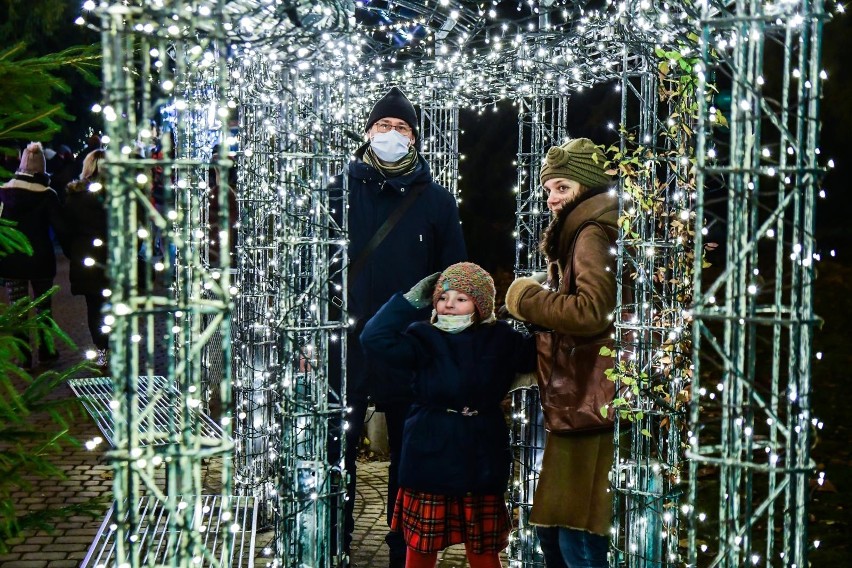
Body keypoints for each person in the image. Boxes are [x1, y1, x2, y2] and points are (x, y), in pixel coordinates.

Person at [332, 86, 467, 568]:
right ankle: (334, 537)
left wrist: (445, 338)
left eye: (402, 128)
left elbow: (456, 275)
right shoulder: (336, 191)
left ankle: (403, 548)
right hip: (341, 343)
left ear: (415, 139)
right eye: (384, 126)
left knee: (408, 455)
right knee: (336, 444)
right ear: (368, 132)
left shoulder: (436, 202)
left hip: (408, 344)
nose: (392, 134)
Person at [360, 262, 536, 568]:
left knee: (483, 551)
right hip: (430, 455)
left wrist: (534, 305)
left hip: (481, 457)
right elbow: (373, 338)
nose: (449, 304)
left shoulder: (502, 338)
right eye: (443, 297)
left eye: (461, 298)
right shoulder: (422, 337)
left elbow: (538, 351)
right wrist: (408, 302)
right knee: (420, 549)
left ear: (480, 305)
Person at [503, 138, 618, 568]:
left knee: (578, 539)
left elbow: (592, 311)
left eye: (562, 188)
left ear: (586, 189)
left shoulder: (589, 232)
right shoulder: (594, 226)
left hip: (588, 398)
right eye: (548, 189)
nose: (551, 199)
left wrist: (525, 298)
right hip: (593, 398)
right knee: (572, 532)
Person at [0, 142, 64, 368]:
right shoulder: (47, 194)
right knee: (43, 308)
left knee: (17, 310)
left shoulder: (4, 192)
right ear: (42, 169)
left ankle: (24, 356)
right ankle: (47, 350)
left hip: (11, 261)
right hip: (40, 260)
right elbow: (60, 228)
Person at [61, 149, 110, 367]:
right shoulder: (120, 195)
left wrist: (73, 252)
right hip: (114, 258)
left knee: (94, 307)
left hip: (87, 258)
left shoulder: (75, 197)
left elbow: (65, 231)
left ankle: (103, 350)